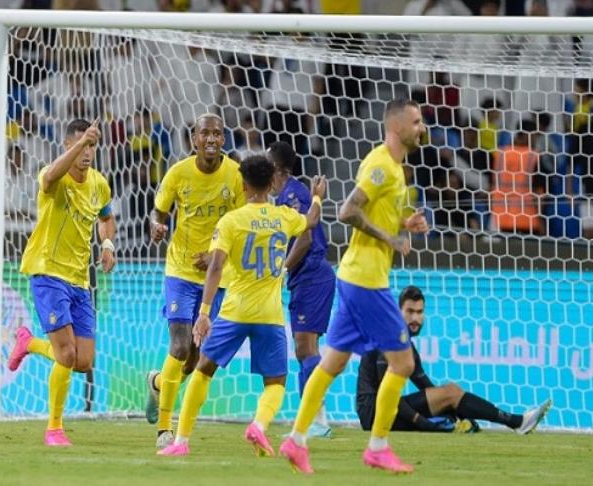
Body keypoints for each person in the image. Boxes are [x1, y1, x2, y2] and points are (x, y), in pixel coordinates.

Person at [279, 99, 429, 475]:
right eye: (416, 121)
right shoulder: (381, 165)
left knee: (332, 361)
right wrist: (390, 238)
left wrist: (404, 224)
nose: (422, 127)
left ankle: (296, 440)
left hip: (355, 276)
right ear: (397, 127)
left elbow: (377, 210)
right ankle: (378, 447)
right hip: (366, 280)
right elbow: (348, 210)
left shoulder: (394, 167)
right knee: (404, 363)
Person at [159, 155, 326, 457]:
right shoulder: (285, 216)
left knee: (203, 371)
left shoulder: (231, 221)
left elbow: (215, 267)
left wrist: (204, 313)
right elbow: (311, 220)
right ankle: (259, 425)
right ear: (271, 183)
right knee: (276, 382)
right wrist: (317, 196)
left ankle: (180, 441)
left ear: (244, 185)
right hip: (270, 314)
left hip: (234, 311)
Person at [7, 118, 117, 446]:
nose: (88, 153)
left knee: (83, 361)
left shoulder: (99, 184)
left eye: (92, 146)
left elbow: (107, 217)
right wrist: (81, 142)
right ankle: (54, 428)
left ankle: (29, 343)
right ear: (68, 146)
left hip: (79, 280)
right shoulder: (53, 177)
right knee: (66, 354)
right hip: (48, 272)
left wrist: (107, 243)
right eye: (81, 146)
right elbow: (50, 177)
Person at [146, 113, 245, 450]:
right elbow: (158, 211)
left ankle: (158, 383)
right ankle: (164, 429)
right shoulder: (178, 173)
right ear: (194, 139)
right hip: (180, 270)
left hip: (218, 276)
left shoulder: (235, 175)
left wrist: (218, 255)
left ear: (223, 139)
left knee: (194, 359)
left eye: (217, 133)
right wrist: (156, 226)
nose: (211, 139)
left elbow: (242, 225)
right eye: (205, 133)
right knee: (179, 346)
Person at [357, 286, 552, 435]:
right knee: (450, 393)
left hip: (386, 410)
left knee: (451, 391)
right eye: (410, 311)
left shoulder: (406, 345)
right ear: (398, 312)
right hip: (373, 414)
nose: (415, 318)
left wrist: (455, 410)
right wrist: (422, 422)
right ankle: (517, 422)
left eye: (420, 312)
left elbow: (428, 388)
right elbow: (387, 395)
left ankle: (516, 421)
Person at [267, 141, 335, 438]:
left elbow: (305, 239)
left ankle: (314, 421)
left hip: (312, 275)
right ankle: (317, 419)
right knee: (306, 349)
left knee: (305, 348)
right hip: (306, 278)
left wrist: (282, 269)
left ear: (277, 168)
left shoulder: (293, 195)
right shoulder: (286, 195)